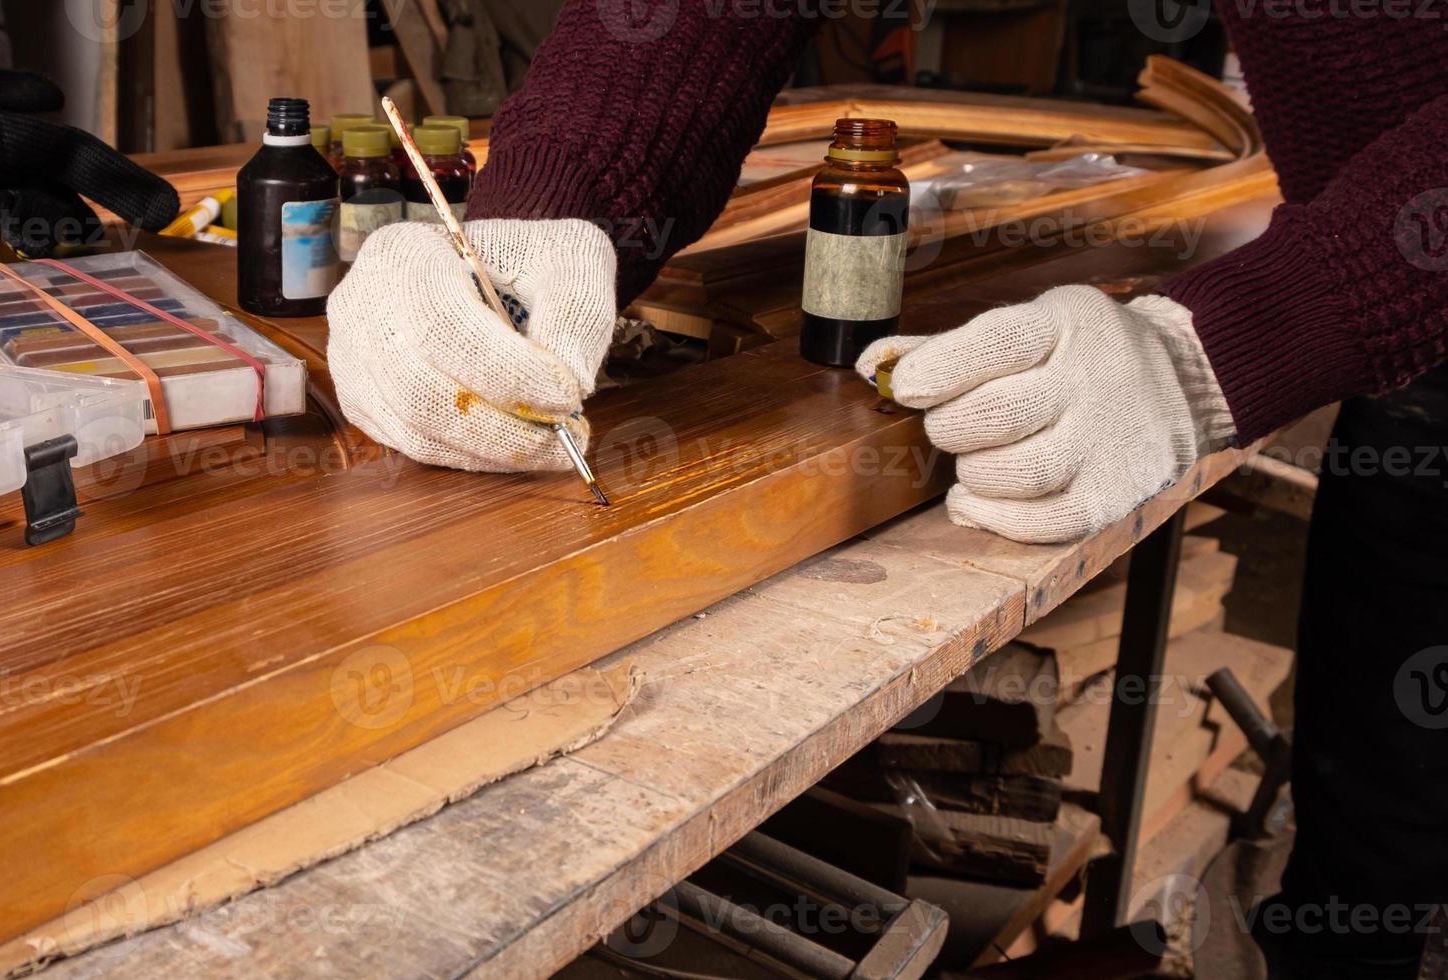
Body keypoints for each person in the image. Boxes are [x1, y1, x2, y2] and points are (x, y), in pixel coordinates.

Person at [327, 3, 1448, 975]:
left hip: (1390, 277)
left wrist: (1256, 335)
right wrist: (553, 206)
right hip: (1406, 350)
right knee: (1370, 823)